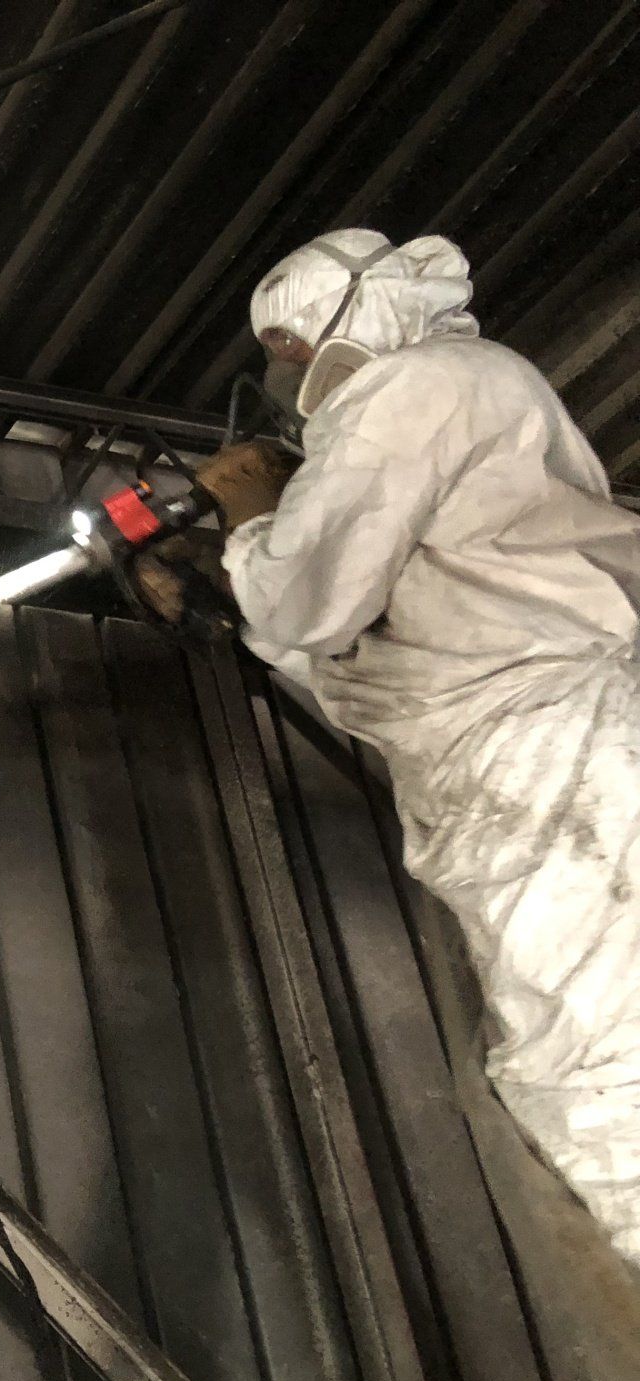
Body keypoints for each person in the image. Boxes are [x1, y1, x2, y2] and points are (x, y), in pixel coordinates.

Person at [164, 229, 640, 1273]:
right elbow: (351, 649)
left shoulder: (425, 383)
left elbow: (303, 601)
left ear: (361, 310)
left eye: (292, 343)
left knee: (602, 1050)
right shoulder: (454, 422)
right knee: (573, 1035)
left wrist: (248, 525)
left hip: (543, 734)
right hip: (507, 746)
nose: (290, 374)